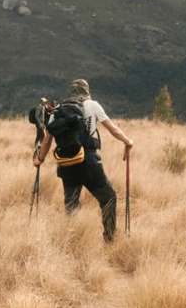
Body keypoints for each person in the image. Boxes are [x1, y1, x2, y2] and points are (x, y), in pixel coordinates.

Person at [34, 78, 133, 241]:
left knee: (71, 205)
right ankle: (110, 239)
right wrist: (128, 142)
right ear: (86, 91)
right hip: (88, 161)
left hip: (66, 163)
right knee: (108, 197)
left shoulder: (58, 109)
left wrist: (39, 160)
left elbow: (47, 140)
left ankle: (71, 242)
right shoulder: (93, 105)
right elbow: (113, 130)